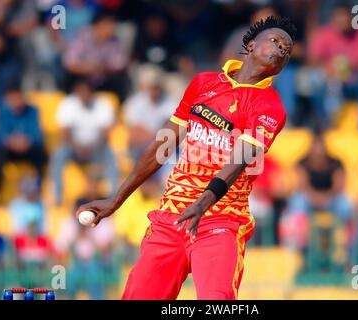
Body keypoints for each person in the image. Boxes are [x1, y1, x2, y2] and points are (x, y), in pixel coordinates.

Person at [77, 16, 296, 300]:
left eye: (287, 49)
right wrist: (117, 198)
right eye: (275, 41)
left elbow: (240, 160)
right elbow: (163, 144)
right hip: (171, 218)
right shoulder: (203, 83)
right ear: (252, 44)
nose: (281, 49)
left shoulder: (270, 106)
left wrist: (203, 204)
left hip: (221, 222)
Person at [308, 2, 358, 125]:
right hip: (332, 83)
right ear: (333, 18)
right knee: (316, 78)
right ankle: (324, 121)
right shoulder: (324, 33)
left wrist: (353, 65)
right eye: (339, 16)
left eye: (345, 16)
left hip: (357, 81)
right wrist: (329, 67)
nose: (343, 20)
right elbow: (313, 58)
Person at [51, 78, 118, 206]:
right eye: (81, 92)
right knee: (59, 154)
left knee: (110, 155)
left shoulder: (102, 104)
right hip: (73, 148)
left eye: (87, 92)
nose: (84, 95)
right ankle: (58, 197)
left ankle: (113, 196)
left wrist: (91, 147)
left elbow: (105, 134)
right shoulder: (68, 104)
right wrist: (77, 147)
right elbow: (64, 133)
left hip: (96, 148)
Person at [0, 85, 48, 202]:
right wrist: (12, 142)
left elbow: (37, 135)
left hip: (28, 149)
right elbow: (0, 135)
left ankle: (39, 191)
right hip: (10, 150)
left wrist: (26, 142)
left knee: (41, 154)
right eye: (13, 98)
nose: (17, 101)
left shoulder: (32, 111)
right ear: (8, 98)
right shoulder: (3, 111)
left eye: (19, 97)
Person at [62, 11, 130, 100]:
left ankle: (119, 107)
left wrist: (101, 68)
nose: (112, 29)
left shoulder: (114, 40)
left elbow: (120, 65)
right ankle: (69, 103)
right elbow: (69, 62)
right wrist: (89, 68)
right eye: (108, 25)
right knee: (68, 77)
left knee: (121, 79)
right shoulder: (83, 35)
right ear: (97, 25)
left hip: (103, 78)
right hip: (83, 76)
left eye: (113, 25)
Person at [122, 64, 177, 160]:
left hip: (164, 150)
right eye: (151, 86)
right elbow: (133, 133)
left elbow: (174, 131)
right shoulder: (135, 103)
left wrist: (154, 136)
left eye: (156, 86)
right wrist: (156, 136)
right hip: (141, 149)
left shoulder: (171, 103)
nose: (154, 90)